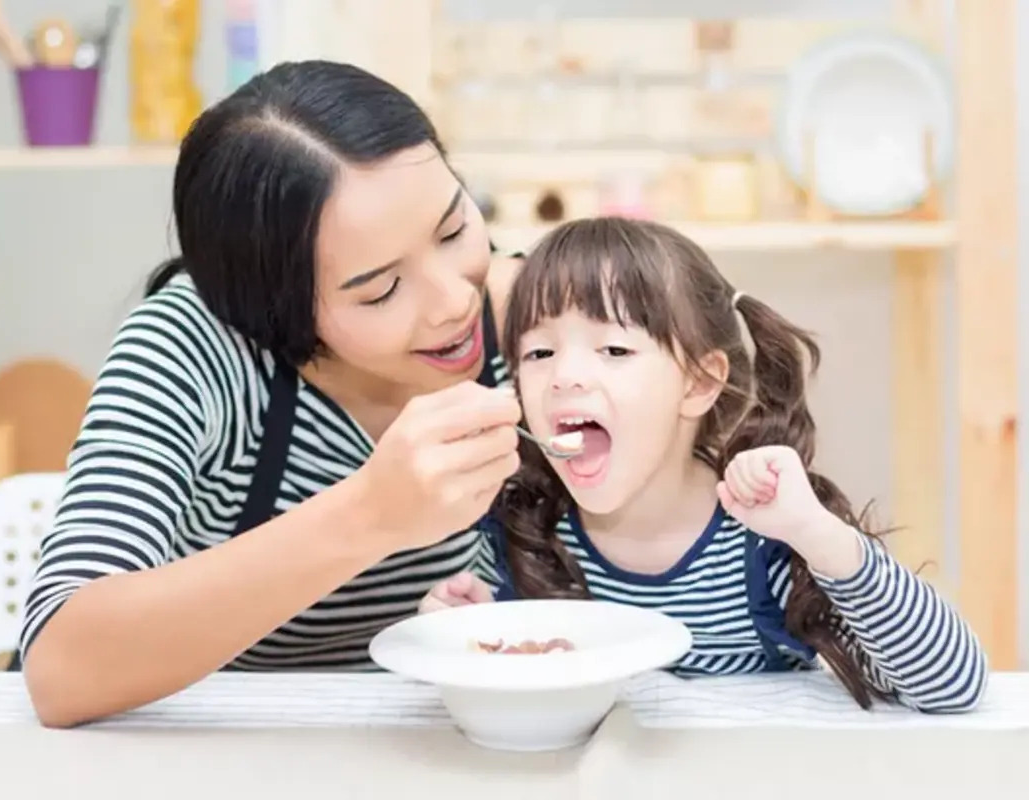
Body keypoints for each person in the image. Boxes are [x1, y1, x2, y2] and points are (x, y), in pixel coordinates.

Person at [18, 60, 528, 727]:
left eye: (455, 229)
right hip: (216, 750)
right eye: (381, 290)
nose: (456, 300)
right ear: (271, 307)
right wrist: (373, 513)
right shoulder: (195, 347)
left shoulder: (526, 318)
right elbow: (62, 666)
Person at [421, 217, 988, 713]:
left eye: (614, 350)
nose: (564, 376)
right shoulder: (522, 534)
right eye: (539, 353)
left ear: (699, 382)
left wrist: (817, 534)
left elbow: (952, 686)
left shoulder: (762, 541)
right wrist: (461, 635)